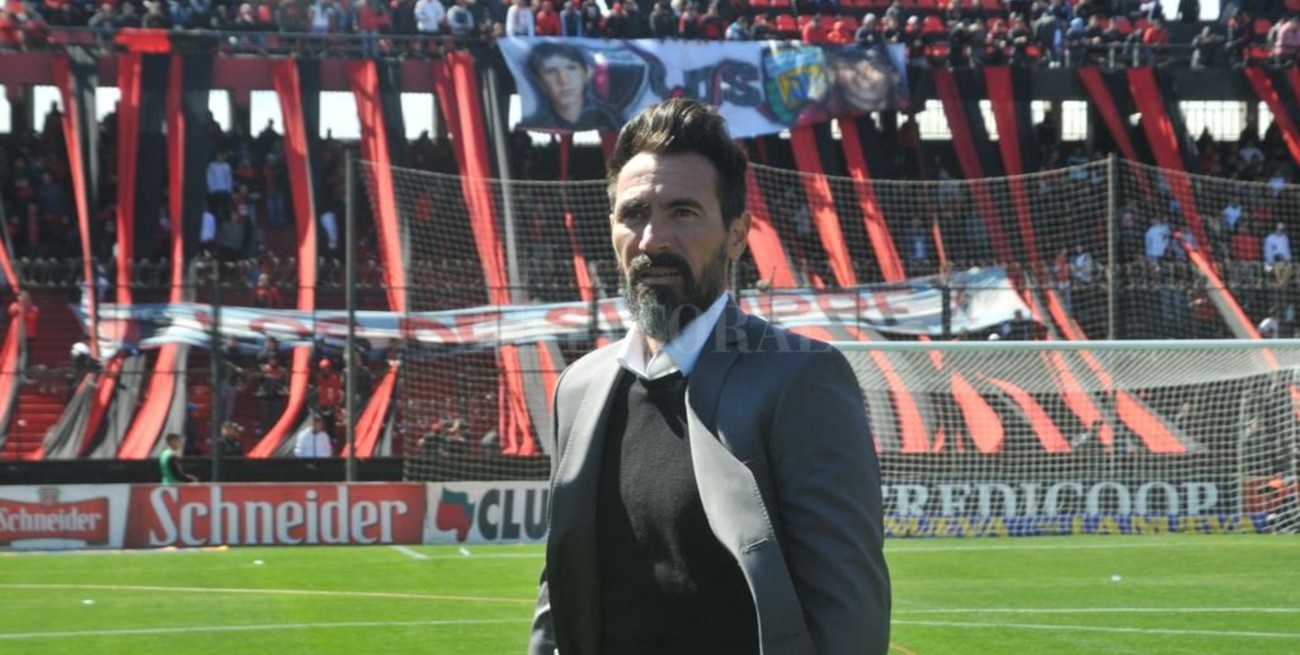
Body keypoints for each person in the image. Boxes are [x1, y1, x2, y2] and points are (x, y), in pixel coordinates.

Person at [528, 99, 890, 655]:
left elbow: (849, 617)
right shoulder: (578, 388)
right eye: (633, 214)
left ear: (737, 235)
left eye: (683, 212)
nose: (652, 239)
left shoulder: (802, 379)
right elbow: (561, 595)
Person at [523, 42, 620, 131]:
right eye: (551, 71)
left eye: (571, 68)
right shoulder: (534, 125)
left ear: (587, 73)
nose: (563, 80)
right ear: (541, 82)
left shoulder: (611, 118)